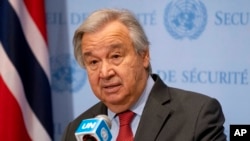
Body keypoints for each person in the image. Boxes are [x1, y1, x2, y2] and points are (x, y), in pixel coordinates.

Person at [61, 8, 226, 141]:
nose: (105, 73)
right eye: (94, 62)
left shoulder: (198, 115)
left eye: (115, 56)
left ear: (144, 55)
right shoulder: (75, 131)